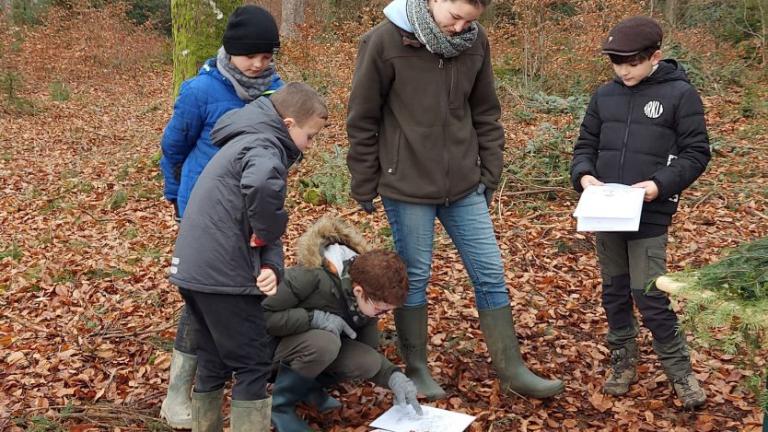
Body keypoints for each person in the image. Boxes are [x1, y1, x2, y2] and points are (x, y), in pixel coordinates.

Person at [346, 0, 564, 400]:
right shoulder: (383, 41)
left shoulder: (475, 43)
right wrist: (364, 182)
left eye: (470, 20)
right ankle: (416, 368)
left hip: (465, 186)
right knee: (415, 278)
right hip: (407, 185)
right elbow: (362, 118)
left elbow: (485, 112)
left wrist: (490, 170)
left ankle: (511, 369)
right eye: (455, 17)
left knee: (490, 273)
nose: (461, 27)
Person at [168, 82, 328, 431]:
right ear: (287, 125)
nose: (309, 147)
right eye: (310, 137)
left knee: (211, 356)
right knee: (253, 363)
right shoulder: (265, 146)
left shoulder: (245, 139)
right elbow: (260, 187)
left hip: (194, 268)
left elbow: (247, 212)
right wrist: (272, 231)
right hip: (222, 273)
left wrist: (270, 260)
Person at [570, 16, 711, 409]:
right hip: (605, 214)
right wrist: (584, 177)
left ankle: (680, 372)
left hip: (649, 215)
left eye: (632, 62)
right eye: (617, 63)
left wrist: (658, 185)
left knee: (649, 294)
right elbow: (585, 147)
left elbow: (697, 152)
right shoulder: (604, 96)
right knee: (614, 292)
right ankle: (622, 361)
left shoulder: (680, 95)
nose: (624, 71)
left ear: (655, 57)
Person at [158, 5, 284, 429]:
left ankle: (226, 379)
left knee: (235, 293)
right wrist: (177, 199)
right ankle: (179, 393)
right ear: (232, 51)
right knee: (201, 297)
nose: (260, 65)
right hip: (202, 209)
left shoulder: (275, 90)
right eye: (252, 56)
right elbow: (173, 148)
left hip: (249, 212)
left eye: (267, 57)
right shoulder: (201, 91)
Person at [262, 216, 421, 431]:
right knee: (326, 343)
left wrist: (394, 377)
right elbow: (259, 316)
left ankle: (309, 387)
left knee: (366, 357)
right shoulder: (309, 276)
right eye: (381, 309)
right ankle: (280, 407)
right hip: (265, 351)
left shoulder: (367, 295)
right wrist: (313, 318)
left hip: (306, 348)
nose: (382, 315)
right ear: (358, 291)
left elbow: (366, 355)